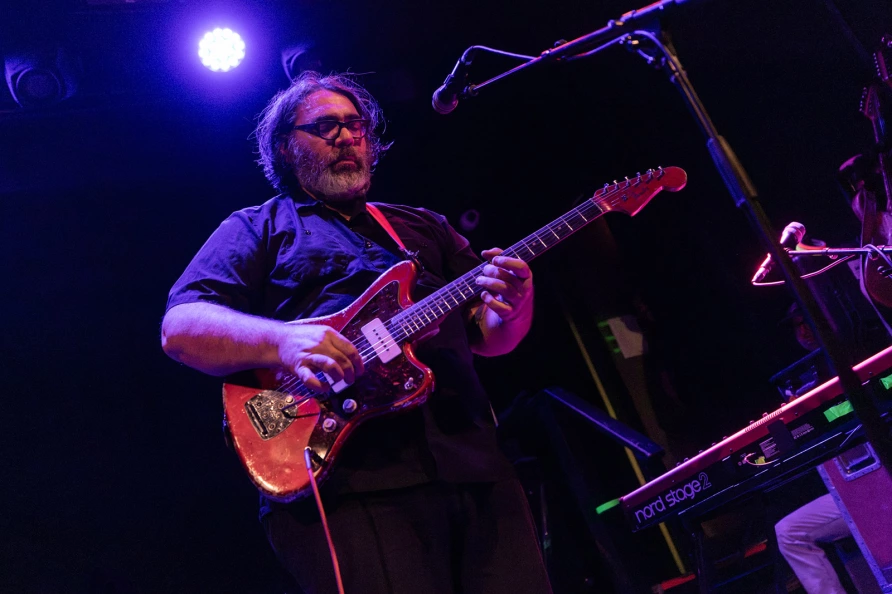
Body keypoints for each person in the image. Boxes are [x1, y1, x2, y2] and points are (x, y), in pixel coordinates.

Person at [160, 71, 552, 594]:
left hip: (476, 468)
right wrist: (285, 340)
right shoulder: (258, 227)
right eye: (325, 126)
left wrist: (516, 305)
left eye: (356, 125)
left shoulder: (422, 226)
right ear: (284, 147)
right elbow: (181, 328)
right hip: (347, 483)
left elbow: (490, 337)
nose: (346, 137)